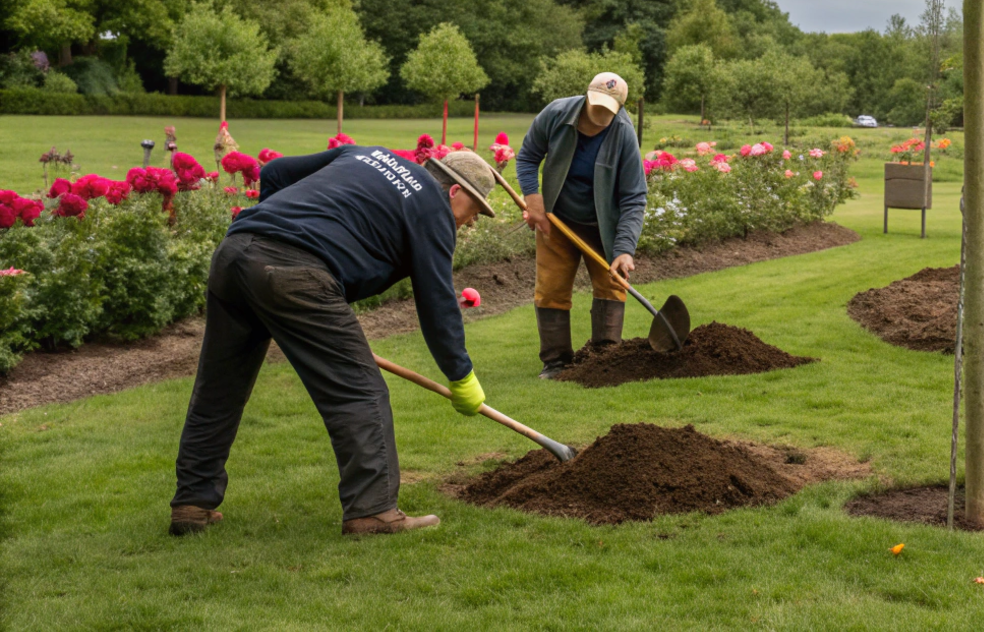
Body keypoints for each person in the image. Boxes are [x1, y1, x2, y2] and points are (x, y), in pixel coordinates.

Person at [170, 145, 497, 537]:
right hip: (297, 272)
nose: (469, 223)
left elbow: (274, 171)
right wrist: (460, 374)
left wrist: (270, 243)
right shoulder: (433, 208)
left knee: (220, 387)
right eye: (474, 211)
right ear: (454, 192)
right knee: (359, 392)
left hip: (236, 252)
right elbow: (438, 301)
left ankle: (192, 503)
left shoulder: (366, 155)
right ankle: (373, 510)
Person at [514, 72, 648, 378]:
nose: (600, 114)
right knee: (551, 288)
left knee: (612, 286)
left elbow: (634, 197)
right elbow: (527, 158)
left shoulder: (624, 134)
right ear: (586, 96)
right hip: (556, 221)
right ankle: (556, 362)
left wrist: (625, 249)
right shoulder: (556, 114)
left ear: (619, 108)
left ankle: (605, 357)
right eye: (596, 105)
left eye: (608, 109)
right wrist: (534, 202)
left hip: (604, 227)